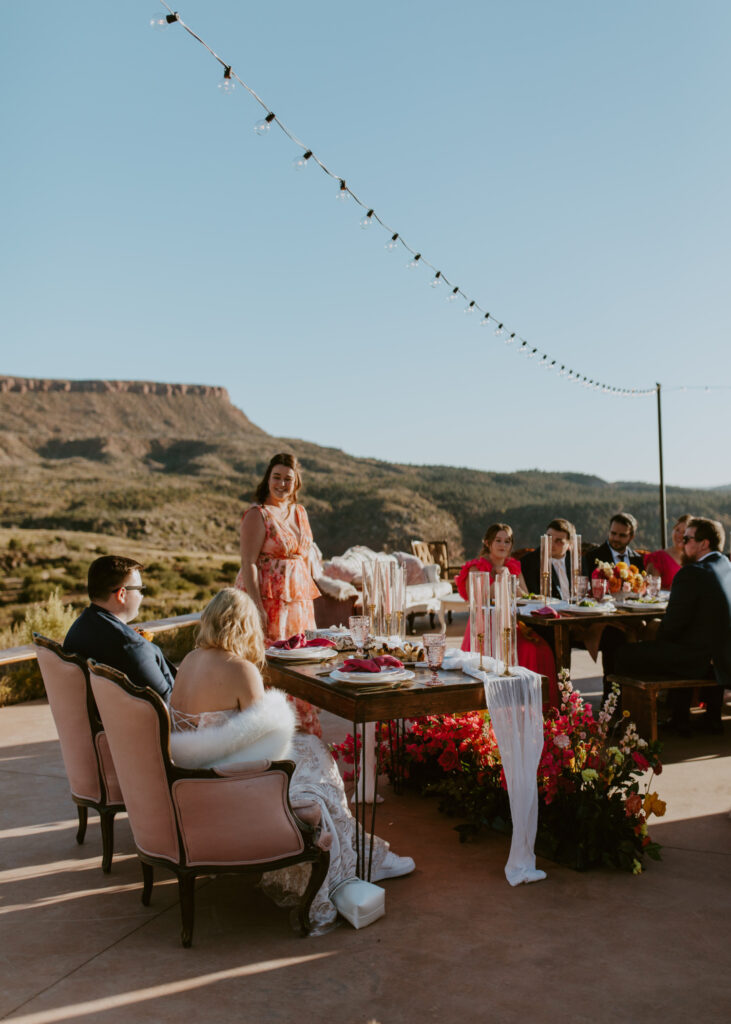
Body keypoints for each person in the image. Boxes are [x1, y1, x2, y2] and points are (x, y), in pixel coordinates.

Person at [169, 588, 414, 931]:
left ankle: (362, 853)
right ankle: (354, 863)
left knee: (312, 752)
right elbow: (267, 742)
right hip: (233, 777)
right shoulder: (240, 669)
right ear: (245, 626)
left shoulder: (191, 659)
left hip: (196, 771)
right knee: (318, 764)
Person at [616, 518, 730, 735]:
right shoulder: (726, 566)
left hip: (701, 661)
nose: (682, 543)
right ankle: (689, 717)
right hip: (723, 657)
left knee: (623, 653)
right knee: (681, 645)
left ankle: (630, 726)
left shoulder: (692, 573)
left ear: (704, 543)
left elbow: (671, 628)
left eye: (687, 539)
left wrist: (646, 631)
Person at [236, 452, 322, 736]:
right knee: (273, 668)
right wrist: (255, 606)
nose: (282, 484)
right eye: (277, 477)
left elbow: (306, 559)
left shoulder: (300, 512)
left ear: (296, 482)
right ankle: (275, 736)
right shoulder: (257, 514)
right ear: (267, 479)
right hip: (268, 601)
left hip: (297, 603)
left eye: (288, 478)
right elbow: (248, 562)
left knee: (301, 665)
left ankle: (304, 735)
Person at [455, 523, 557, 701]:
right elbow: (477, 600)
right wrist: (501, 580)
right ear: (487, 542)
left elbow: (525, 596)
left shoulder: (513, 566)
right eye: (498, 540)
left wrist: (514, 584)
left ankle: (534, 706)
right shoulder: (476, 567)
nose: (503, 545)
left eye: (507, 541)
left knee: (540, 650)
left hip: (510, 625)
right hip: (484, 628)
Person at [64, 555, 175, 701]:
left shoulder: (79, 629)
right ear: (122, 594)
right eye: (139, 589)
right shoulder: (132, 647)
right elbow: (169, 704)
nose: (141, 596)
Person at [582, 513, 644, 702]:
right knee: (614, 637)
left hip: (631, 615)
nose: (616, 539)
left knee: (651, 633)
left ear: (631, 537)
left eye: (622, 535)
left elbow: (641, 590)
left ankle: (638, 700)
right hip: (603, 618)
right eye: (613, 533)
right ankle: (611, 702)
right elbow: (588, 590)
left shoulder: (637, 559)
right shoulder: (594, 556)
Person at [520, 518, 575, 601]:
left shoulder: (576, 561)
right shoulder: (528, 562)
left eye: (558, 541)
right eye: (548, 538)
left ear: (569, 544)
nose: (551, 544)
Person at [644, 514, 693, 589]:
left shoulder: (696, 559)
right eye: (677, 530)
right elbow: (650, 588)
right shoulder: (658, 558)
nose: (679, 535)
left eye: (684, 532)